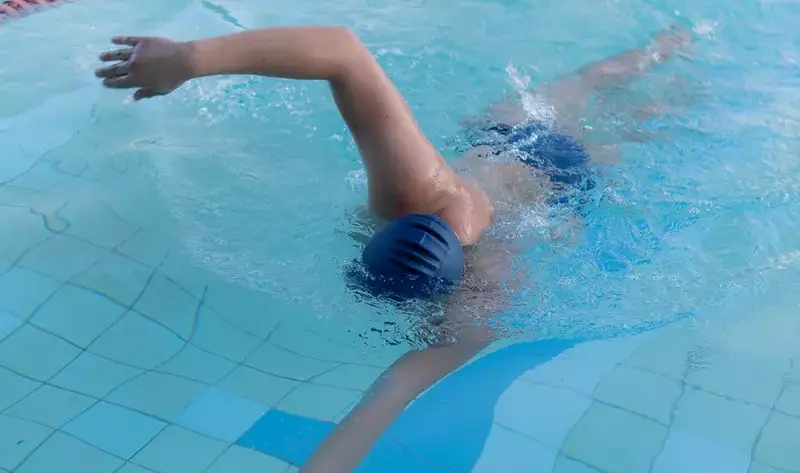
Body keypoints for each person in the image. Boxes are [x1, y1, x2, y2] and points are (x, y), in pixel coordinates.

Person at [94, 25, 691, 473]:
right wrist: (186, 61)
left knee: (642, 114)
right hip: (499, 138)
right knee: (584, 87)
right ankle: (665, 56)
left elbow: (391, 395)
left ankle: (674, 56)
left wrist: (191, 58)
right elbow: (342, 54)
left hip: (561, 172)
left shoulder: (485, 284)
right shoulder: (413, 192)